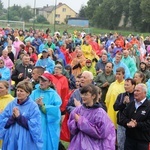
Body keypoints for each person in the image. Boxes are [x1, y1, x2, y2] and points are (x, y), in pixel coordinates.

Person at [68, 84, 116, 150]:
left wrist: (81, 121)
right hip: (78, 145)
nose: (83, 97)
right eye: (82, 94)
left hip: (94, 146)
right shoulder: (78, 109)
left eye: (86, 94)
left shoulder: (100, 113)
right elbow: (71, 129)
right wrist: (75, 123)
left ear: (93, 96)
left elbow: (102, 133)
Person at [0, 81, 43, 150]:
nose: (18, 93)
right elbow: (2, 120)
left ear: (28, 93)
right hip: (11, 137)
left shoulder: (33, 106)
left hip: (25, 139)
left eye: (21, 91)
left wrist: (19, 117)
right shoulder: (12, 104)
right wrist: (12, 117)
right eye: (17, 90)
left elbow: (35, 125)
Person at [30, 72, 62, 150]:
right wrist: (35, 104)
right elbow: (28, 106)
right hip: (35, 123)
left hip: (48, 125)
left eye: (44, 81)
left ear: (49, 83)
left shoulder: (54, 95)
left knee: (46, 143)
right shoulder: (34, 93)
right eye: (40, 80)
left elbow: (56, 111)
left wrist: (43, 106)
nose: (41, 82)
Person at [119, 84, 150, 150]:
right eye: (135, 90)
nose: (135, 92)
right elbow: (122, 118)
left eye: (138, 91)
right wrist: (128, 123)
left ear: (144, 93)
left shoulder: (148, 106)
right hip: (129, 140)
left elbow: (148, 123)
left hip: (143, 141)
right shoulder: (131, 104)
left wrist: (137, 124)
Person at [113, 78, 136, 150]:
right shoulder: (121, 95)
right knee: (121, 145)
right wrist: (123, 103)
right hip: (121, 124)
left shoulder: (136, 96)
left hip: (132, 124)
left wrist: (129, 103)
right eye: (125, 85)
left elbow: (136, 110)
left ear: (133, 86)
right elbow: (115, 107)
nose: (125, 86)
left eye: (128, 85)